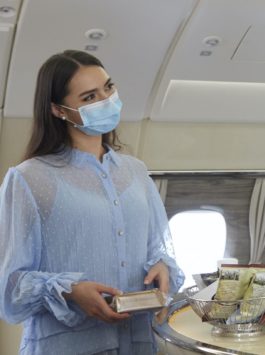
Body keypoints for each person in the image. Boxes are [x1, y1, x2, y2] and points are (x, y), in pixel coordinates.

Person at [0, 50, 184, 354]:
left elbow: (155, 249)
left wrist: (161, 267)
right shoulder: (29, 179)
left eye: (108, 88)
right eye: (89, 97)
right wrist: (71, 290)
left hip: (136, 342)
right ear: (59, 110)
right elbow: (10, 286)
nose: (106, 100)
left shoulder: (135, 172)